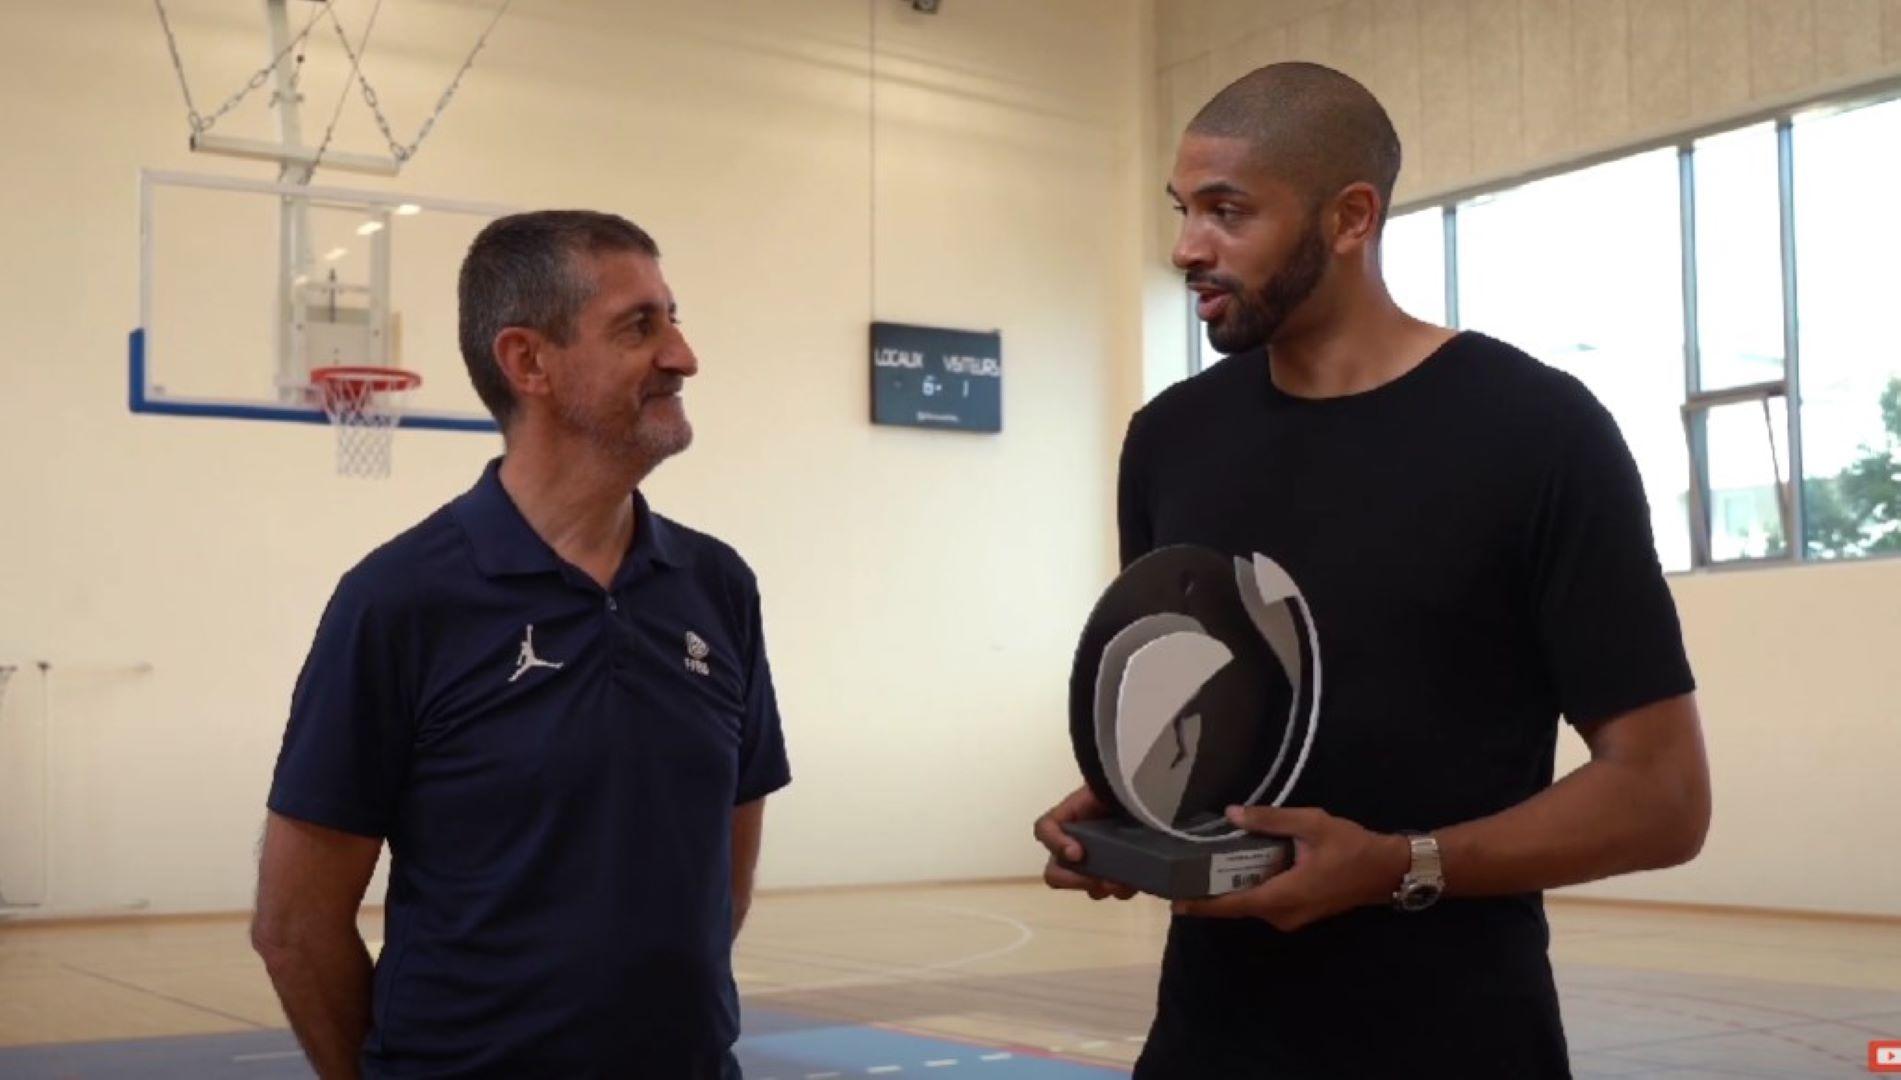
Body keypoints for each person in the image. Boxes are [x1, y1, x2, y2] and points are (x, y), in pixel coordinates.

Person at [1034, 63, 1710, 1079]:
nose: (1184, 248)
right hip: (1205, 1045)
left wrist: (1399, 867)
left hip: (1458, 1045)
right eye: (1181, 210)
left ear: (1349, 217)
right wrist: (1134, 808)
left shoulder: (1535, 433)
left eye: (1227, 211)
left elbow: (1661, 798)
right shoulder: (1169, 440)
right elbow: (1219, 736)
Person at [252, 210, 791, 1078]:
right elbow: (294, 927)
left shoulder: (717, 587)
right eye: (639, 326)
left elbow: (720, 882)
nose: (683, 356)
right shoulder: (398, 601)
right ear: (528, 362)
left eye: (674, 319)